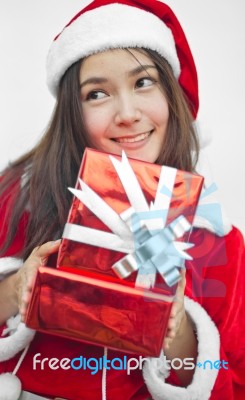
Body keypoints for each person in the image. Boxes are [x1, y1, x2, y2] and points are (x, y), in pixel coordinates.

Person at [0, 0, 244, 399]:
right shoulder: (14, 199)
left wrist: (177, 329)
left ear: (172, 93)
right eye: (97, 93)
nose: (127, 113)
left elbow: (231, 383)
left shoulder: (219, 245)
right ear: (72, 113)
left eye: (143, 82)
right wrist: (15, 291)